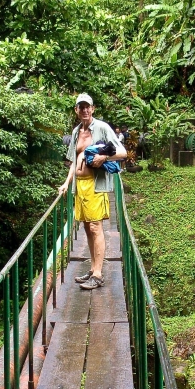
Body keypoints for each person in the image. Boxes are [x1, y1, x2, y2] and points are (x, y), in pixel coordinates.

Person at [58, 93, 126, 290]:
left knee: (96, 226)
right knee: (87, 227)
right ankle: (93, 267)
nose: (85, 110)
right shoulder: (77, 131)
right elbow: (73, 162)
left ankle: (97, 274)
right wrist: (65, 183)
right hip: (80, 186)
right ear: (76, 110)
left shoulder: (102, 128)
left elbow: (122, 153)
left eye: (88, 107)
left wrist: (103, 158)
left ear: (93, 109)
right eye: (81, 107)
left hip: (96, 185)